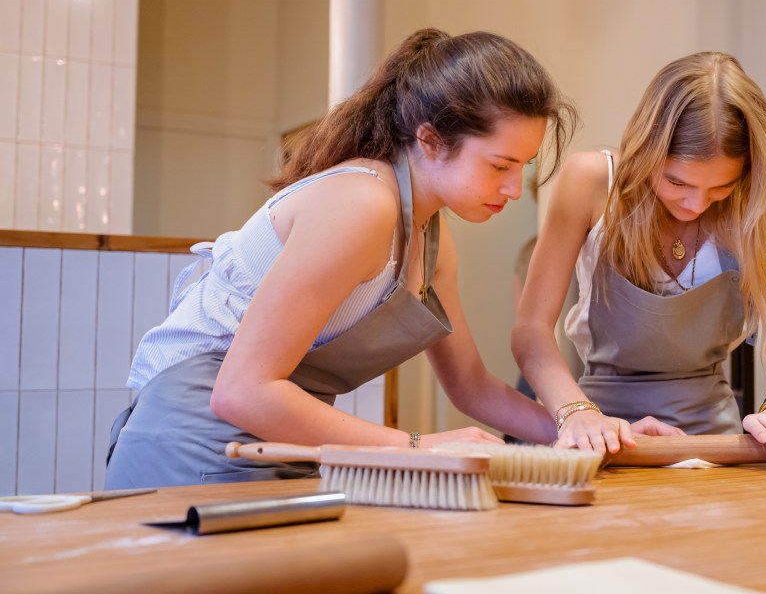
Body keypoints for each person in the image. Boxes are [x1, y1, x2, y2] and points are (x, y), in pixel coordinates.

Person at [105, 28, 578, 489]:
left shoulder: (432, 237)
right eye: (500, 166)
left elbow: (471, 385)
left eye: (524, 167)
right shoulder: (362, 203)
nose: (516, 190)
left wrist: (582, 427)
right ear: (431, 140)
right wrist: (421, 447)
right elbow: (241, 391)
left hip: (283, 451)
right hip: (191, 451)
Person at [511, 52, 766, 475]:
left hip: (714, 437)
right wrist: (576, 413)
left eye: (720, 189)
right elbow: (530, 330)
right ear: (647, 148)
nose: (695, 204)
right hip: (602, 432)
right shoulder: (590, 182)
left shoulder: (755, 206)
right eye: (677, 182)